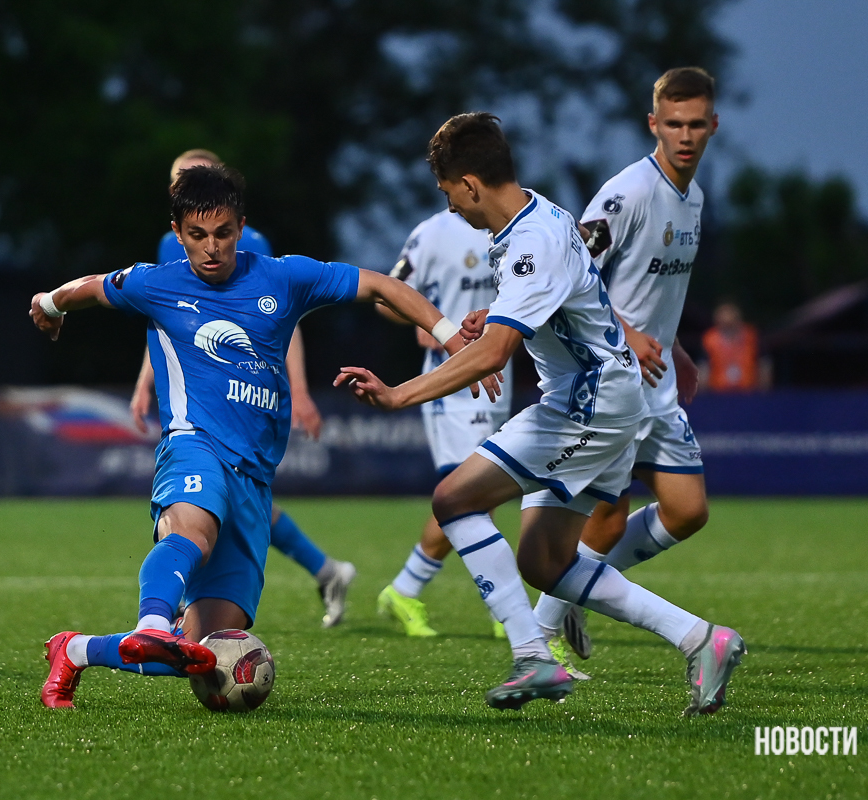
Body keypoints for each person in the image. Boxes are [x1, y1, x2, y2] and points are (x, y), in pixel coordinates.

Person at [336, 112, 744, 715]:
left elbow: (493, 355)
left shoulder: (530, 242)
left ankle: (532, 656)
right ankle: (701, 639)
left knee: (454, 500)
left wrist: (399, 394)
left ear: (470, 184)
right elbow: (557, 301)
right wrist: (495, 316)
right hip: (606, 395)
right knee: (543, 561)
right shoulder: (541, 214)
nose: (451, 208)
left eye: (449, 194)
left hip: (587, 400)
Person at [33, 164, 475, 708]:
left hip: (255, 479)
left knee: (202, 656)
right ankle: (152, 622)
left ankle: (76, 650)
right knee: (191, 532)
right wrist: (48, 304)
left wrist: (451, 337)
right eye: (197, 235)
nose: (211, 247)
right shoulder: (156, 282)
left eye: (223, 233)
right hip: (194, 443)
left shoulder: (284, 277)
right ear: (177, 233)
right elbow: (90, 288)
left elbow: (381, 285)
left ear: (241, 227)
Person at [530, 67, 718, 671]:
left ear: (713, 126)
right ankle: (540, 638)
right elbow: (568, 268)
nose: (685, 136)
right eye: (674, 124)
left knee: (688, 511)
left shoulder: (694, 198)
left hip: (657, 378)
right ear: (653, 124)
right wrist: (630, 333)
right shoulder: (629, 193)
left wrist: (672, 343)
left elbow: (656, 288)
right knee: (604, 521)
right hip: (613, 376)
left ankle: (582, 591)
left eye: (696, 124)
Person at [130, 149, 356, 629]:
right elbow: (168, 314)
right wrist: (145, 380)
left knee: (230, 499)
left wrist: (299, 389)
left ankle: (322, 569)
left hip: (246, 397)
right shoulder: (171, 243)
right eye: (177, 181)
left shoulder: (250, 244)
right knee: (207, 501)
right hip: (199, 398)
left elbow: (280, 318)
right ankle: (323, 570)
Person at [374, 209, 513, 638]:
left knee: (482, 498)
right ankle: (505, 610)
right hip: (450, 385)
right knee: (468, 495)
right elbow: (385, 295)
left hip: (498, 378)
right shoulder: (431, 233)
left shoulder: (510, 225)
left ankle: (404, 590)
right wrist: (430, 323)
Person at [700, 300, 770, 392]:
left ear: (738, 315)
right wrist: (704, 393)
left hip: (749, 393)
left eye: (730, 312)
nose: (727, 317)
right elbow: (703, 368)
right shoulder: (709, 339)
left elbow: (764, 365)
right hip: (718, 393)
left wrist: (763, 392)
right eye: (723, 313)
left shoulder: (752, 336)